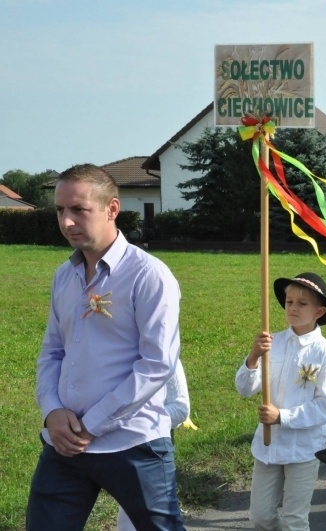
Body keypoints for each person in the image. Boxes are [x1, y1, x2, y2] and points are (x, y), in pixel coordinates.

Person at [27, 163, 185, 530]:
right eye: (60, 210)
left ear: (112, 209)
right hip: (65, 445)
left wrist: (92, 425)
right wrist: (52, 411)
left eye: (79, 209)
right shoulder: (64, 275)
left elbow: (157, 364)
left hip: (133, 443)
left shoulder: (148, 275)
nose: (67, 221)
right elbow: (52, 351)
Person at [235, 272, 326, 531]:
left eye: (302, 304)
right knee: (260, 517)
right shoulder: (272, 343)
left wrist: (282, 416)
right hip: (269, 446)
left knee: (295, 519)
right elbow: (245, 389)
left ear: (319, 311)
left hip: (303, 449)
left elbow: (325, 406)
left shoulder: (324, 352)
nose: (293, 308)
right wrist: (253, 357)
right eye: (289, 302)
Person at [118, 358, 192, 530]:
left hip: (150, 452)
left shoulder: (165, 356)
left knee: (150, 519)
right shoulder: (112, 356)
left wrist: (135, 422)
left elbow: (180, 408)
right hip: (112, 449)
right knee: (128, 519)